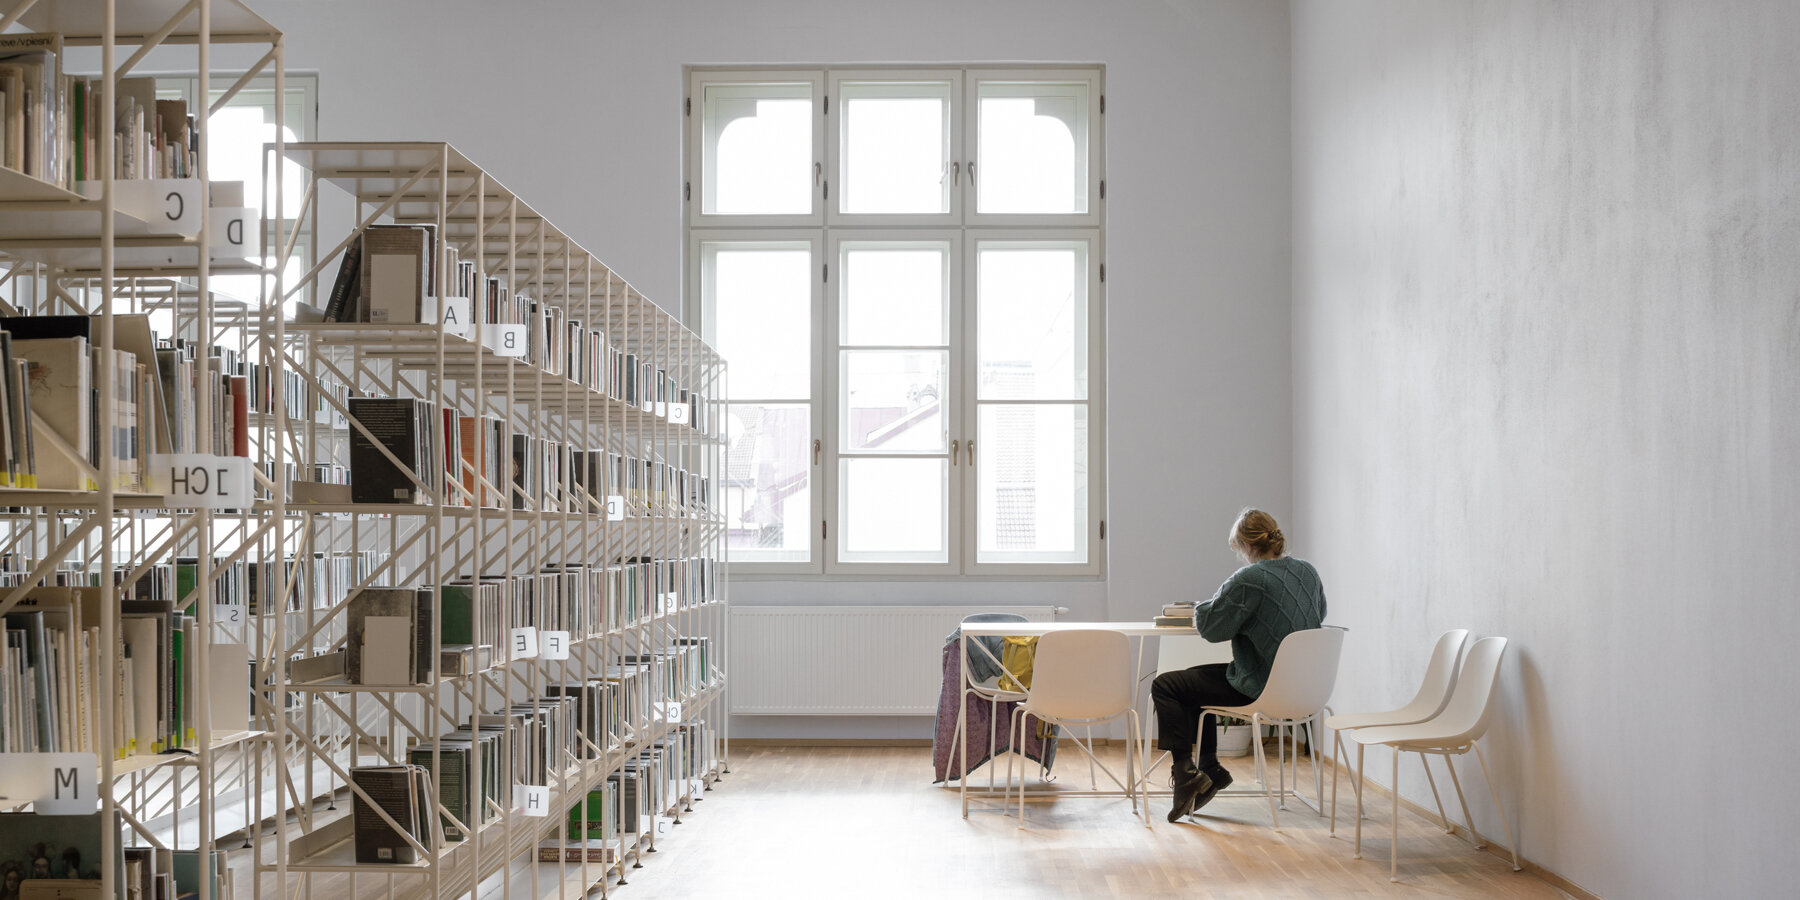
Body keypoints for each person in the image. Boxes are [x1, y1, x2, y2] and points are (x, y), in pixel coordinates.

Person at [1152, 508, 1327, 822]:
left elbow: (1210, 627)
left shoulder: (1251, 578)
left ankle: (1187, 774)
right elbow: (1320, 613)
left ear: (1246, 546)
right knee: (1190, 681)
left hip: (1261, 687)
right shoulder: (1308, 572)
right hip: (1303, 687)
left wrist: (1210, 602)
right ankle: (1209, 769)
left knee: (1166, 685)